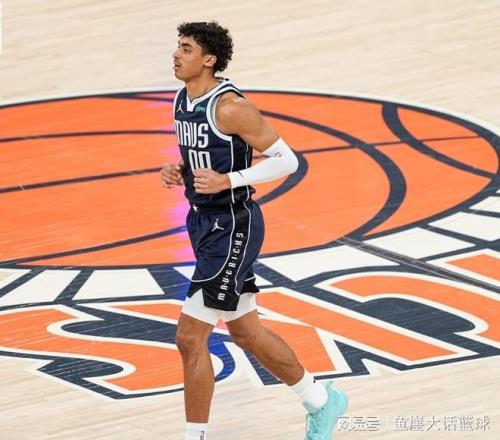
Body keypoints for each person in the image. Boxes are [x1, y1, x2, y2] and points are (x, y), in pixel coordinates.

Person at [161, 21, 347, 440]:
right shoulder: (182, 98)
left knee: (189, 338)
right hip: (202, 223)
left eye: (186, 48)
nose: (176, 54)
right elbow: (206, 154)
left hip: (232, 228)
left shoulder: (230, 107)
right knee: (246, 331)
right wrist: (180, 171)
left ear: (209, 60)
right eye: (178, 46)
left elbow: (287, 161)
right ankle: (320, 400)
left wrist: (229, 180)